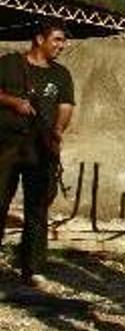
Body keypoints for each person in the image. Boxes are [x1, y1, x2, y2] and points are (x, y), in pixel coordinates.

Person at [0, 19, 74, 287]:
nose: (61, 45)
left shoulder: (61, 75)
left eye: (63, 41)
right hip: (5, 145)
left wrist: (57, 130)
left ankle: (32, 269)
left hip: (40, 149)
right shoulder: (8, 64)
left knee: (38, 208)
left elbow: (65, 106)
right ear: (39, 39)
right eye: (56, 39)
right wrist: (13, 102)